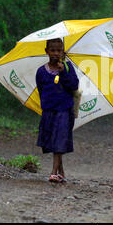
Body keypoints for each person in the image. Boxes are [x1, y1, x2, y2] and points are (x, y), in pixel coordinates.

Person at [36, 38, 79, 183]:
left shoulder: (68, 68)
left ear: (63, 52)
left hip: (65, 110)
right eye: (52, 50)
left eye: (59, 50)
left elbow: (74, 86)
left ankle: (53, 172)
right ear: (46, 51)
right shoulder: (41, 72)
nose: (55, 53)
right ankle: (61, 171)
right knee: (53, 140)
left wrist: (64, 73)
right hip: (49, 111)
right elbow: (41, 90)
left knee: (59, 139)